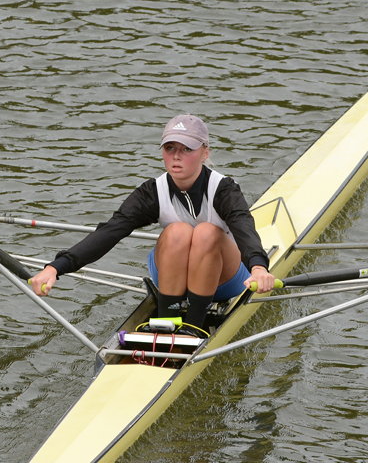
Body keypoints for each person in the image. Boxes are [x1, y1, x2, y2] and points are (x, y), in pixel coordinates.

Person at [27, 114, 277, 331]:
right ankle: (167, 320)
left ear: (205, 152)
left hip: (226, 279)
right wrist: (55, 267)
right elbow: (110, 231)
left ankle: (193, 325)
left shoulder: (223, 190)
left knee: (205, 233)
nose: (176, 156)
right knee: (177, 231)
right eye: (170, 148)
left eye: (186, 149)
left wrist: (258, 266)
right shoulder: (152, 192)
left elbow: (243, 225)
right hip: (170, 274)